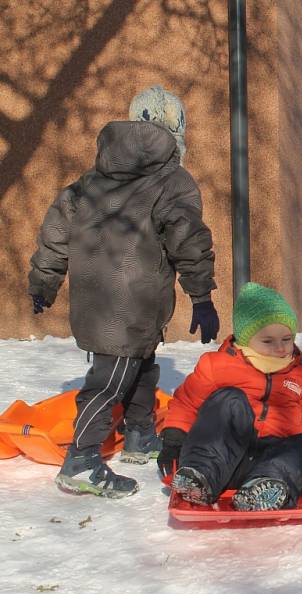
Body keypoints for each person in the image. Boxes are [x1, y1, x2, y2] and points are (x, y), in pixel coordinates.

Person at [28, 85, 219, 498]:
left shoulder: (90, 182)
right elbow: (188, 238)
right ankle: (80, 461)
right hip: (130, 305)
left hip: (102, 300)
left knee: (143, 367)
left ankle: (139, 437)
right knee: (109, 380)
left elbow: (55, 232)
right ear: (178, 129)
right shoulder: (174, 181)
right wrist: (201, 296)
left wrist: (44, 281)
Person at [157, 283, 302, 511]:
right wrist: (174, 439)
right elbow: (187, 403)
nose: (280, 348)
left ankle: (264, 490)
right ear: (246, 338)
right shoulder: (217, 365)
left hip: (269, 464)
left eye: (286, 339)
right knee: (230, 399)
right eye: (268, 341)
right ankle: (199, 478)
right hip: (221, 458)